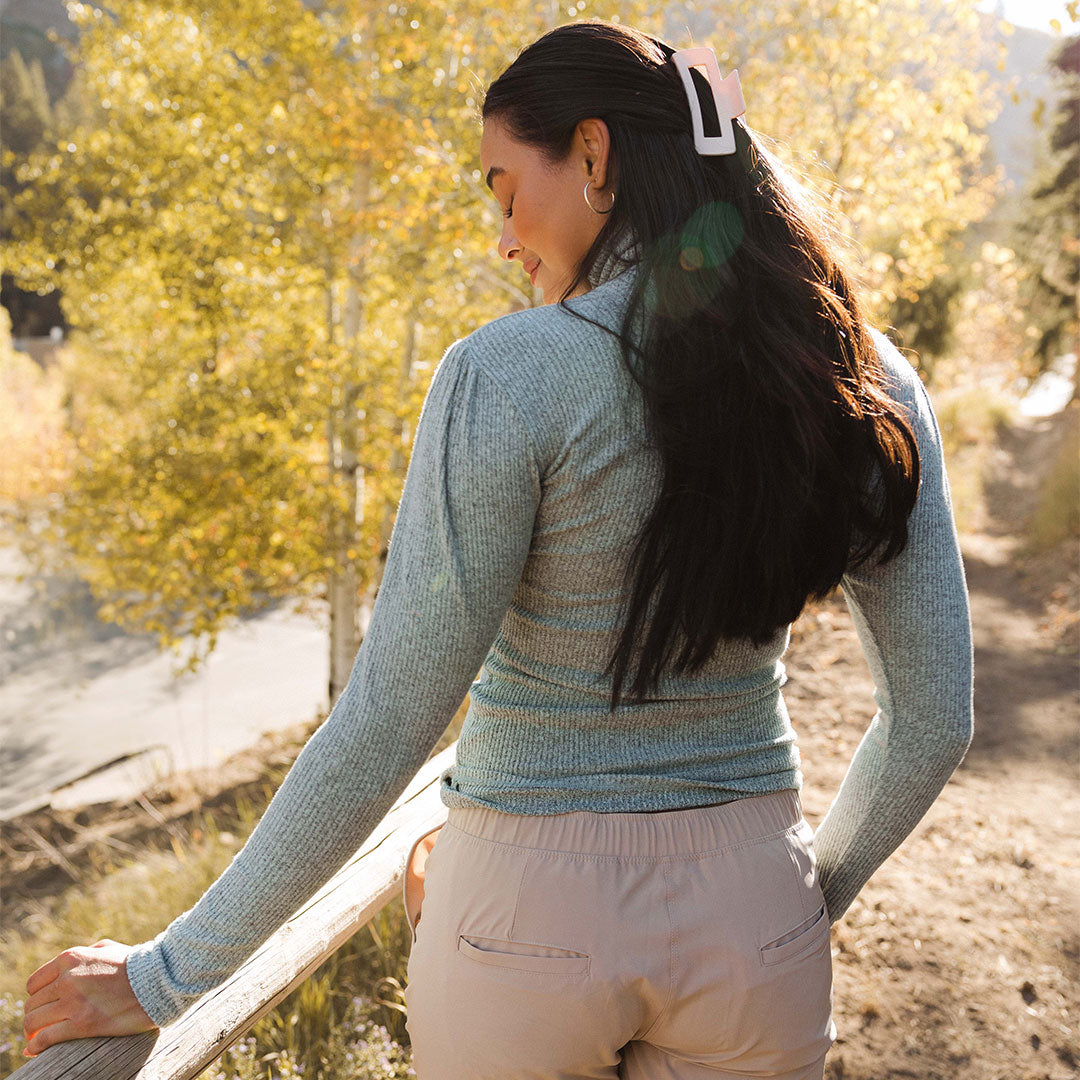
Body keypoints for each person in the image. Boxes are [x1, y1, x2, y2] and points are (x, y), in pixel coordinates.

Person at [22, 20, 974, 1080]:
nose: (503, 236)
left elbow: (389, 719)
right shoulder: (859, 377)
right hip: (756, 921)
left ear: (595, 154)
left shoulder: (508, 374)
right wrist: (793, 904)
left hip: (527, 920)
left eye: (505, 188)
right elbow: (934, 722)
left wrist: (166, 975)